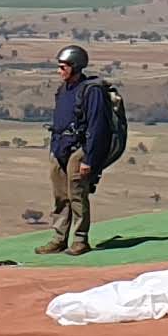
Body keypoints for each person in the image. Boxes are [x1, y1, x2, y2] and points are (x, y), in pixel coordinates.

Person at [44, 44, 120, 254]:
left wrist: (89, 159)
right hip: (60, 148)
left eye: (63, 67)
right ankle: (59, 238)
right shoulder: (63, 89)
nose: (59, 71)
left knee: (77, 194)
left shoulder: (92, 91)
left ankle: (80, 239)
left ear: (75, 66)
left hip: (80, 150)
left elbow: (98, 127)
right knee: (61, 196)